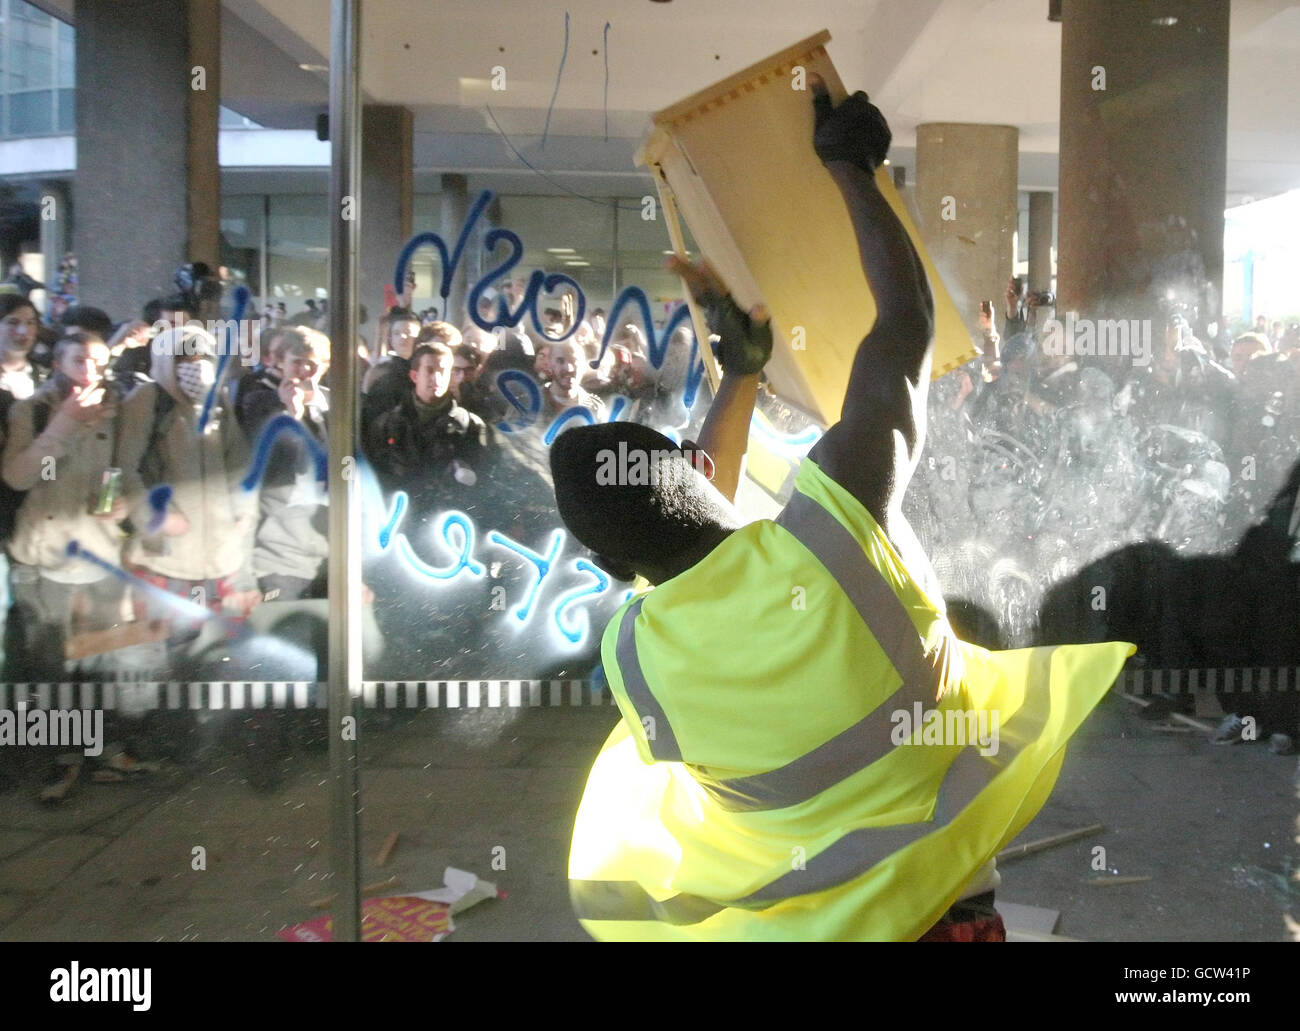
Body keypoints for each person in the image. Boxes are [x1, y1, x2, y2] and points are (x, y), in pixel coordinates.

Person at [550, 81, 1135, 941]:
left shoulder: (638, 659)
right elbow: (904, 325)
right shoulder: (834, 527)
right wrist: (853, 169)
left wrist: (742, 375)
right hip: (945, 909)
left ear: (607, 569)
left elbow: (684, 512)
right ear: (683, 465)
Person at [2, 331, 129, 679]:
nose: (91, 370)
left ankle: (100, 730)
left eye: (99, 363)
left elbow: (127, 472)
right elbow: (22, 477)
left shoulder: (116, 412)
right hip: (44, 560)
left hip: (99, 553)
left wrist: (123, 507)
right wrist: (64, 425)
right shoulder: (33, 411)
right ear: (57, 363)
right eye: (79, 361)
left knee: (102, 661)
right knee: (46, 666)